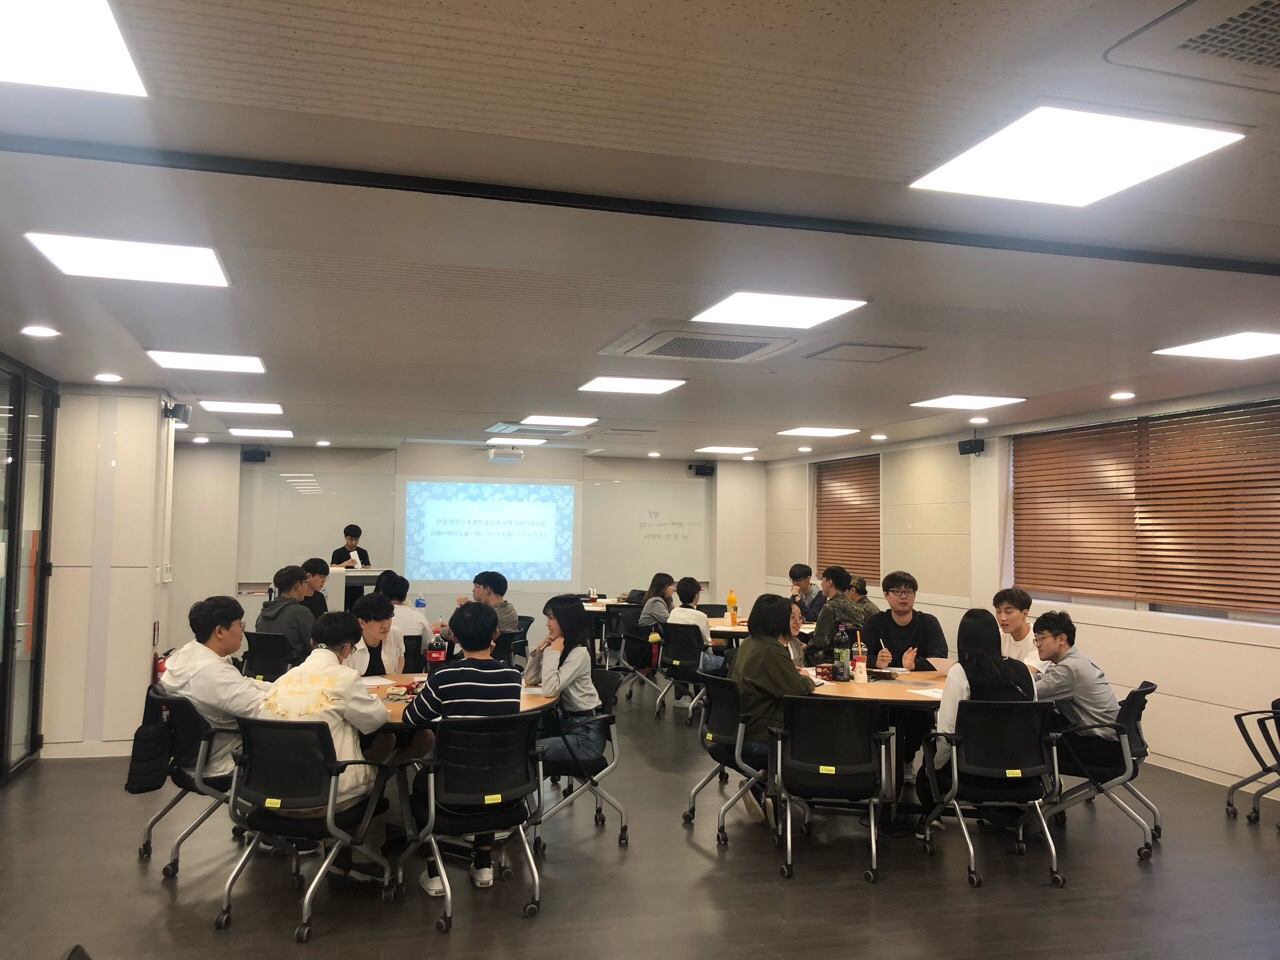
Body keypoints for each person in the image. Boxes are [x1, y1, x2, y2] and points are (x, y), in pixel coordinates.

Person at [402, 601, 524, 894]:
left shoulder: (444, 677)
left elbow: (411, 719)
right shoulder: (512, 676)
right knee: (486, 764)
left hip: (450, 791)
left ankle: (434, 872)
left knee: (418, 784)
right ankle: (482, 863)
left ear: (454, 637)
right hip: (506, 788)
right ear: (495, 634)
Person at [259, 611, 392, 881]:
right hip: (326, 800)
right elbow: (376, 720)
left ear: (312, 641)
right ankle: (363, 859)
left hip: (270, 794)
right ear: (346, 648)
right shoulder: (345, 678)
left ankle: (338, 851)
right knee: (381, 759)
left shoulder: (283, 679)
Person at [915, 608, 1036, 833]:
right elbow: (1032, 724)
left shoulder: (961, 673)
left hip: (972, 771)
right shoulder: (1023, 672)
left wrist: (936, 766)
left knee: (928, 765)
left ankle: (931, 818)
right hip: (1022, 772)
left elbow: (947, 731)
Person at [161, 596, 274, 778]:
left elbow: (242, 683)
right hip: (226, 761)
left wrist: (280, 687)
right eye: (239, 624)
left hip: (193, 757)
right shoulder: (214, 674)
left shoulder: (187, 656)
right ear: (220, 631)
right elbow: (264, 710)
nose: (243, 631)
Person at [729, 594, 815, 822]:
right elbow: (797, 690)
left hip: (740, 726)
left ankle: (765, 785)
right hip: (762, 731)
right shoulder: (772, 650)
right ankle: (780, 788)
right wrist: (807, 679)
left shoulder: (749, 643)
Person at [1031, 610, 1123, 776]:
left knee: (1028, 746)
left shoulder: (1069, 669)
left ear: (1061, 639)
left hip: (1101, 747)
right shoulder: (1076, 660)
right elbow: (1044, 679)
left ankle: (1038, 790)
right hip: (1111, 741)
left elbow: (1031, 692)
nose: (1037, 644)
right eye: (1036, 639)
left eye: (1041, 639)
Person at [524, 595, 604, 765]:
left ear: (567, 620)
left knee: (526, 751)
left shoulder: (578, 654)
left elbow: (550, 689)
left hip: (586, 736)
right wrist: (538, 651)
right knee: (523, 743)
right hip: (567, 726)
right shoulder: (563, 649)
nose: (547, 624)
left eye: (551, 618)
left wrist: (552, 652)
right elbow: (530, 679)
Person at [861, 570, 948, 670]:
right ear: (886, 595)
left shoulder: (928, 622)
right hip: (883, 678)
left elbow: (940, 657)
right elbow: (859, 654)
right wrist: (876, 662)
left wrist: (914, 664)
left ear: (914, 595)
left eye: (908, 592)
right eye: (897, 592)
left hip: (918, 678)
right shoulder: (875, 622)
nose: (903, 596)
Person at [432, 570, 519, 640]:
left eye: (477, 586)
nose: (473, 590)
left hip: (478, 655)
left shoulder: (489, 616)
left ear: (487, 590)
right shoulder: (509, 609)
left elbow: (461, 634)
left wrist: (437, 630)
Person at [255, 564, 316, 665]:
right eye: (305, 583)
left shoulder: (262, 614)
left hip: (264, 669)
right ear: (298, 585)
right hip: (295, 669)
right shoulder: (301, 613)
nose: (306, 587)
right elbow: (315, 646)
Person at [804, 565, 861, 665]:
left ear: (829, 582)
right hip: (851, 657)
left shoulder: (830, 607)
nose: (821, 584)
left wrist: (805, 647)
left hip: (831, 658)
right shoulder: (856, 607)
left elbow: (820, 641)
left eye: (823, 580)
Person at [667, 575, 722, 673]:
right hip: (698, 662)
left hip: (675, 660)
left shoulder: (673, 613)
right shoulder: (701, 616)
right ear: (696, 595)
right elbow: (706, 644)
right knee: (730, 661)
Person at [347, 592, 405, 676]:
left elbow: (400, 657)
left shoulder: (395, 634)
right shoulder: (348, 643)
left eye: (388, 618)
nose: (386, 626)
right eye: (379, 620)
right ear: (362, 623)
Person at [993, 586, 1041, 672]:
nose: (1002, 618)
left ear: (1024, 613)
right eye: (998, 612)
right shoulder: (998, 636)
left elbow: (1028, 672)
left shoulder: (1039, 640)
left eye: (1008, 612)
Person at [383, 573, 432, 644]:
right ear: (405, 597)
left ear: (382, 594)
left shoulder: (376, 619)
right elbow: (429, 644)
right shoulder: (419, 617)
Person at [331, 524, 372, 611]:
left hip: (357, 587)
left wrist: (363, 568)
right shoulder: (338, 552)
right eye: (351, 539)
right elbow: (333, 567)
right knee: (341, 611)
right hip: (342, 587)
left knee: (357, 611)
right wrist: (346, 563)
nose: (353, 542)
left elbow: (368, 567)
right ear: (345, 537)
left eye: (356, 540)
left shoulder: (363, 552)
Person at [786, 599, 807, 667]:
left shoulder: (796, 643)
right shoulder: (772, 646)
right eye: (793, 617)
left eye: (800, 617)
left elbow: (801, 668)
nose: (797, 622)